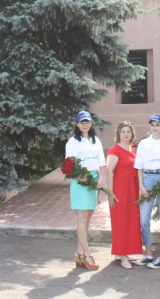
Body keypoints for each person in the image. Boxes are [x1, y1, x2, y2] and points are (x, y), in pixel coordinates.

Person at [65, 110, 107, 270]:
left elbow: (101, 163)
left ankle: (79, 253)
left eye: (87, 122)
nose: (84, 125)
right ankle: (88, 254)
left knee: (88, 217)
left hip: (93, 181)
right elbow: (68, 165)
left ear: (91, 124)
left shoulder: (96, 141)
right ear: (77, 124)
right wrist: (78, 177)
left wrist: (101, 179)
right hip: (80, 181)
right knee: (82, 218)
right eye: (82, 122)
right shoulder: (72, 142)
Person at [133, 114, 160, 269]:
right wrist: (141, 186)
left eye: (158, 125)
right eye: (152, 125)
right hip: (148, 178)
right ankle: (149, 254)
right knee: (144, 220)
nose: (155, 127)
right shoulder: (144, 144)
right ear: (149, 126)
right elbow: (139, 167)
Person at [106, 121, 142, 269]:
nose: (126, 134)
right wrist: (110, 193)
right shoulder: (115, 150)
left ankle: (123, 252)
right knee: (121, 222)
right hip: (120, 191)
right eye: (123, 132)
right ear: (118, 134)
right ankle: (123, 257)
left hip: (132, 190)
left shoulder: (133, 150)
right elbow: (109, 171)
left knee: (131, 221)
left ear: (132, 134)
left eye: (128, 132)